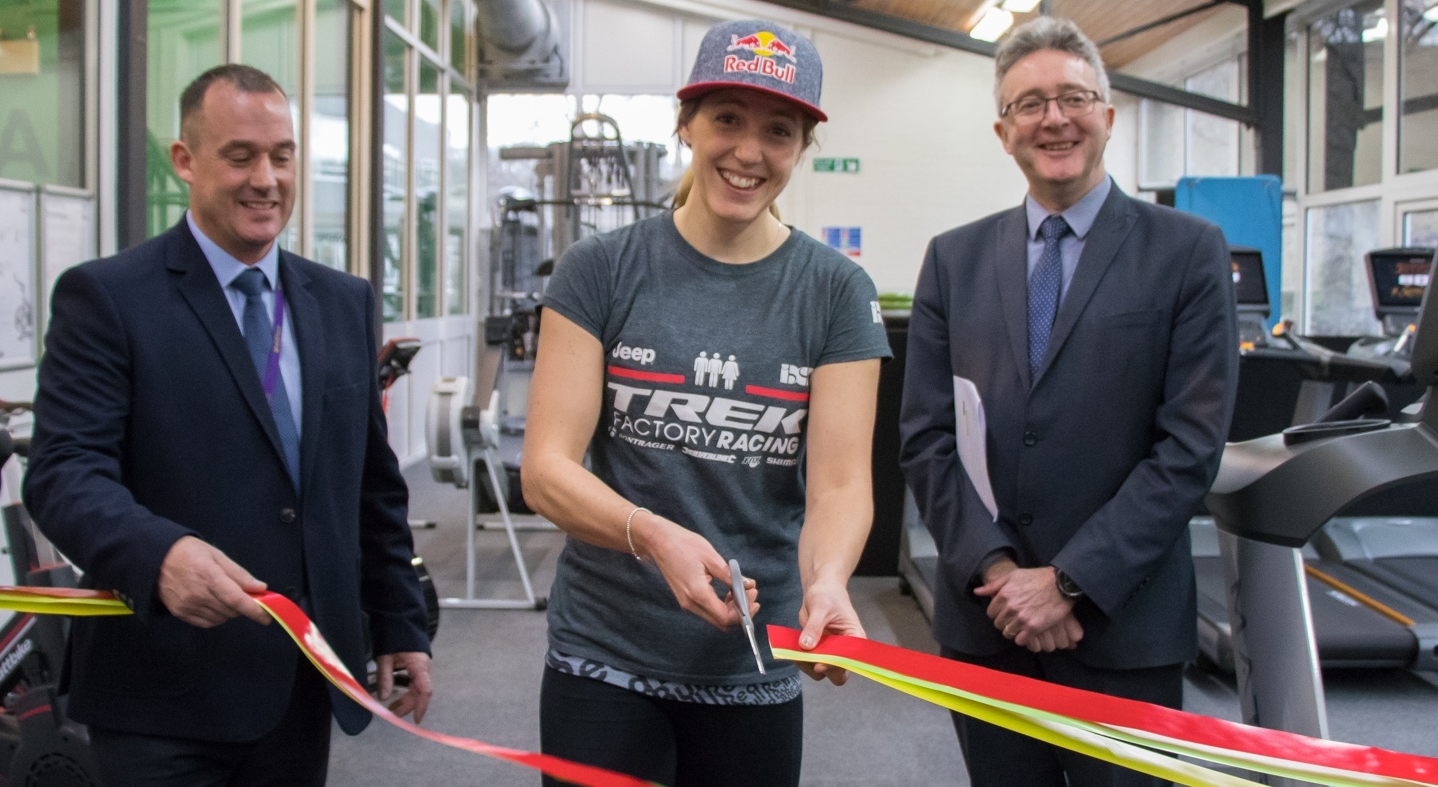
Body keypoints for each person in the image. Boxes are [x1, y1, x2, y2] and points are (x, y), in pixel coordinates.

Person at [24, 64, 433, 786]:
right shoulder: (109, 297)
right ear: (185, 160)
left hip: (301, 683)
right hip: (163, 690)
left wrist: (399, 621)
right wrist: (160, 553)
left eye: (282, 154)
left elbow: (371, 482)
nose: (266, 179)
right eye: (239, 155)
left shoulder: (342, 301)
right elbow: (63, 471)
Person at [521, 19, 891, 787]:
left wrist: (826, 581)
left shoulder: (836, 293)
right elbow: (547, 469)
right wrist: (652, 535)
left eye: (778, 131)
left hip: (755, 657)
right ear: (686, 124)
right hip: (605, 652)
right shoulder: (601, 270)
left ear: (802, 147)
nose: (749, 152)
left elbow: (841, 484)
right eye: (726, 118)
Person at [898, 16, 1237, 787]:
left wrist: (1068, 581)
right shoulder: (953, 260)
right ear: (1003, 131)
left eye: (1074, 96)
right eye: (1030, 103)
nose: (1054, 117)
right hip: (988, 620)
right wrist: (999, 570)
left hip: (1123, 624)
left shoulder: (1187, 250)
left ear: (1108, 117)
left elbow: (1189, 447)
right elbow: (925, 437)